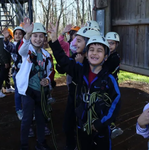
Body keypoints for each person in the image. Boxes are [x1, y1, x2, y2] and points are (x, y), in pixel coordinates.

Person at [49, 21, 121, 149]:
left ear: (105, 57)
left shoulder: (107, 77)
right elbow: (64, 63)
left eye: (99, 51)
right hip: (82, 122)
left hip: (100, 126)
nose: (94, 53)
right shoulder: (80, 69)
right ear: (87, 53)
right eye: (91, 50)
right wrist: (55, 40)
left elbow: (115, 101)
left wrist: (102, 123)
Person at [56, 26, 101, 150]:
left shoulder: (93, 64)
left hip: (85, 103)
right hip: (74, 96)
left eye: (79, 40)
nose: (75, 43)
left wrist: (79, 64)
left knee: (85, 130)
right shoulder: (78, 56)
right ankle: (71, 146)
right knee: (68, 125)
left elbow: (83, 77)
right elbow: (63, 65)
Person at [16, 18, 54, 150]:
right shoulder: (27, 50)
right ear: (31, 37)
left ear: (44, 38)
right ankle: (24, 145)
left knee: (40, 118)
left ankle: (41, 142)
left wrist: (48, 80)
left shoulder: (46, 55)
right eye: (35, 36)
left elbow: (50, 71)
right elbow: (21, 51)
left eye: (41, 36)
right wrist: (26, 35)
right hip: (28, 92)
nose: (38, 39)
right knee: (26, 119)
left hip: (41, 92)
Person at [4, 26, 25, 120]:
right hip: (17, 71)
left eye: (20, 34)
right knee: (18, 91)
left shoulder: (25, 44)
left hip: (26, 71)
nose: (18, 35)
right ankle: (19, 110)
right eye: (16, 34)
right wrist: (5, 39)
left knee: (26, 91)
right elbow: (9, 48)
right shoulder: (13, 45)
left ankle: (27, 109)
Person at [104, 32, 123, 138]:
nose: (110, 45)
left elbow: (106, 69)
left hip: (111, 85)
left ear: (116, 45)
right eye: (108, 43)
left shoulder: (115, 57)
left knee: (112, 103)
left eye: (112, 43)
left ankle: (111, 125)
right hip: (105, 84)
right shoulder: (105, 54)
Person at [0, 28, 15, 98]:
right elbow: (2, 53)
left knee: (7, 74)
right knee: (2, 76)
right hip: (3, 62)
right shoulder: (1, 42)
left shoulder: (2, 41)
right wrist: (6, 62)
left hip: (6, 61)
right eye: (11, 38)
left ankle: (8, 87)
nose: (11, 39)